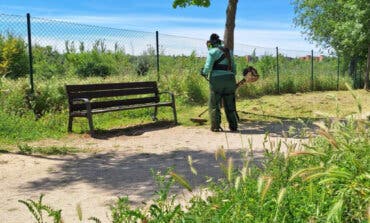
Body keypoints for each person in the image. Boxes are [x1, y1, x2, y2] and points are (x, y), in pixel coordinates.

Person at [201, 33, 238, 132]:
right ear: (219, 42)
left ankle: (216, 126)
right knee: (230, 104)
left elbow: (208, 68)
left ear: (211, 43)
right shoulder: (229, 52)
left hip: (217, 81)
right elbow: (234, 68)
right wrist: (231, 75)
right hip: (230, 79)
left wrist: (203, 72)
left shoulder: (212, 52)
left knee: (214, 104)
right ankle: (233, 126)